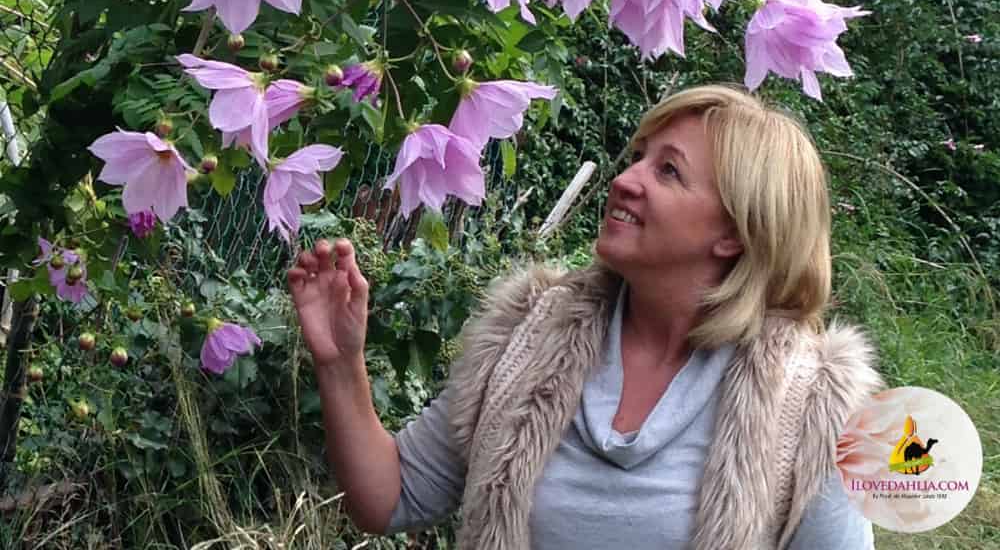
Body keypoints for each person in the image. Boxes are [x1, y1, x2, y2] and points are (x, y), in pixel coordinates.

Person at [289, 84, 882, 549]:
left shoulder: (811, 408)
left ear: (734, 231)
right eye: (638, 159)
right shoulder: (527, 336)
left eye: (667, 171)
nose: (624, 181)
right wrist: (341, 363)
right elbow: (388, 498)